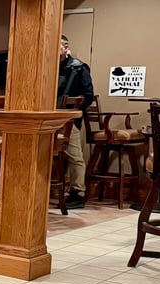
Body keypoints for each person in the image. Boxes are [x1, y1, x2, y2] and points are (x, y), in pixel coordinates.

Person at [57, 35, 94, 210]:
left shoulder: (79, 68)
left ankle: (78, 191)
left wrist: (75, 112)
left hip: (70, 118)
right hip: (49, 117)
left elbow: (88, 95)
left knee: (74, 155)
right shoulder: (48, 67)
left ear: (65, 47)